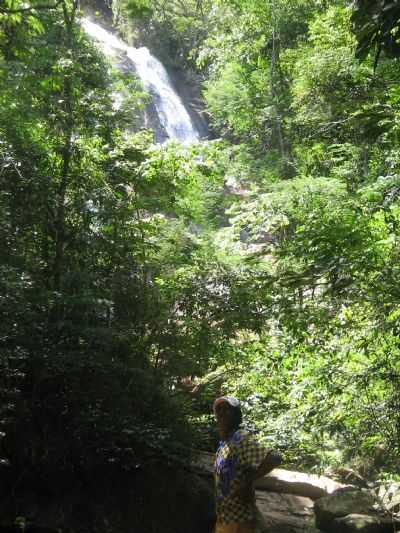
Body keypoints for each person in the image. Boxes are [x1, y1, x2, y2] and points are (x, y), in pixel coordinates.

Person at [213, 396, 282, 533]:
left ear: (236, 414)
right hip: (225, 519)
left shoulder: (241, 438)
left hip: (241, 520)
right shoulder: (224, 444)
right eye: (218, 409)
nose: (221, 413)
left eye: (226, 409)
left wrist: (247, 483)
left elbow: (274, 458)